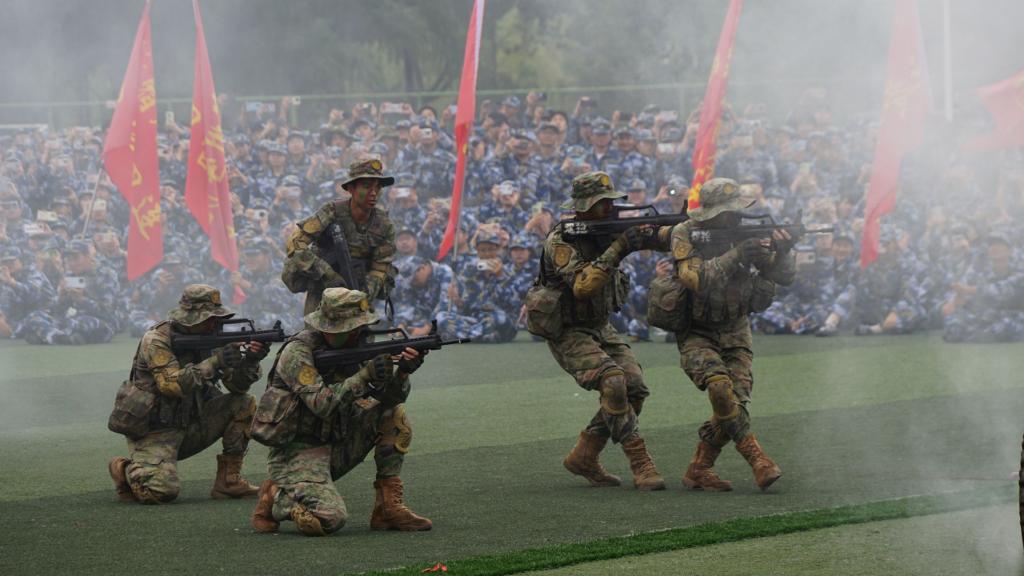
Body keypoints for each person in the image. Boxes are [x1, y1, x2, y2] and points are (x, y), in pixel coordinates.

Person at [528, 171, 671, 491]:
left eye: (610, 202)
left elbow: (661, 239)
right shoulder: (562, 239)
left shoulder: (610, 229)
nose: (608, 208)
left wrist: (685, 231)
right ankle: (640, 462)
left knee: (634, 387)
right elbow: (582, 286)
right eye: (601, 204)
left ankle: (585, 455)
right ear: (582, 207)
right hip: (566, 329)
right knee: (614, 381)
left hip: (598, 325)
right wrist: (620, 246)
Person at [250, 287, 431, 536]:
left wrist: (403, 372)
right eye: (349, 329)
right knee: (330, 518)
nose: (356, 333)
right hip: (297, 452)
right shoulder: (297, 352)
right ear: (326, 328)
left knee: (394, 416)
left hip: (337, 441)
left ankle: (387, 509)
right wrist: (365, 375)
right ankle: (275, 496)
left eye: (358, 327)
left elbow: (390, 399)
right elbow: (322, 404)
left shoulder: (358, 345)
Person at [667, 178, 795, 492]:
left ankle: (699, 468)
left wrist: (783, 251)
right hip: (697, 330)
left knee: (733, 401)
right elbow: (693, 278)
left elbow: (783, 277)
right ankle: (758, 460)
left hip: (735, 329)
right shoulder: (685, 232)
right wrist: (736, 254)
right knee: (719, 387)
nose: (733, 217)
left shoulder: (747, 232)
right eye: (726, 212)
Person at [107, 284, 267, 504]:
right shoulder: (156, 339)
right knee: (159, 492)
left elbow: (237, 388)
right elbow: (170, 384)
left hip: (192, 423)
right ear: (190, 317)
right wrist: (216, 361)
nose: (213, 323)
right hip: (154, 432)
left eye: (216, 318)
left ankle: (229, 481)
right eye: (209, 318)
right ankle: (124, 468)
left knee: (243, 404)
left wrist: (250, 360)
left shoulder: (213, 337)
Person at [281, 158, 398, 315]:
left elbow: (380, 268)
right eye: (366, 186)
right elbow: (295, 243)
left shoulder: (384, 224)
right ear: (351, 188)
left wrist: (362, 295)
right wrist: (327, 273)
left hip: (358, 290)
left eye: (378, 187)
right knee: (317, 328)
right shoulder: (332, 211)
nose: (373, 192)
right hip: (323, 290)